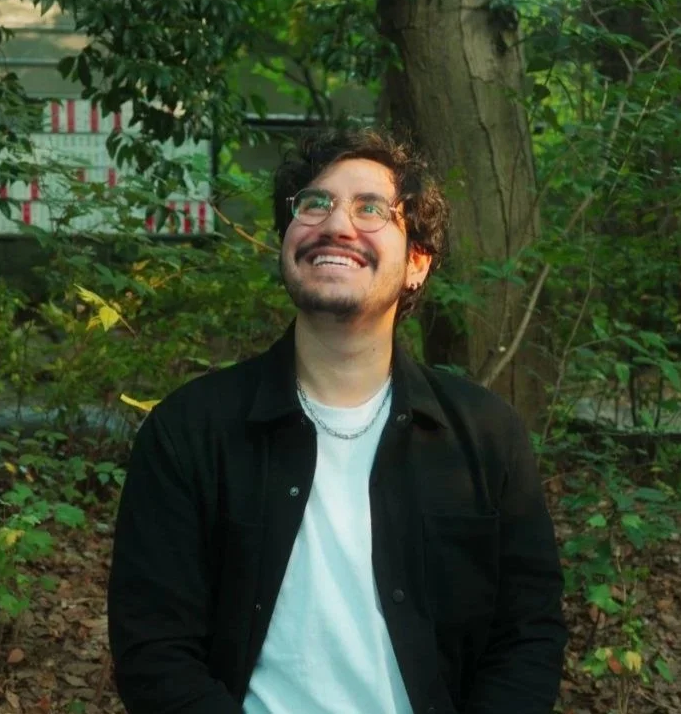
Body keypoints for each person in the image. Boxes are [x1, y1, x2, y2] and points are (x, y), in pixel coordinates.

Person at [107, 128, 567, 714]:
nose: (336, 225)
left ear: (417, 263)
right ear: (287, 239)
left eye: (370, 209)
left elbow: (528, 636)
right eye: (314, 204)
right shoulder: (190, 431)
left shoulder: (485, 435)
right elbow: (153, 650)